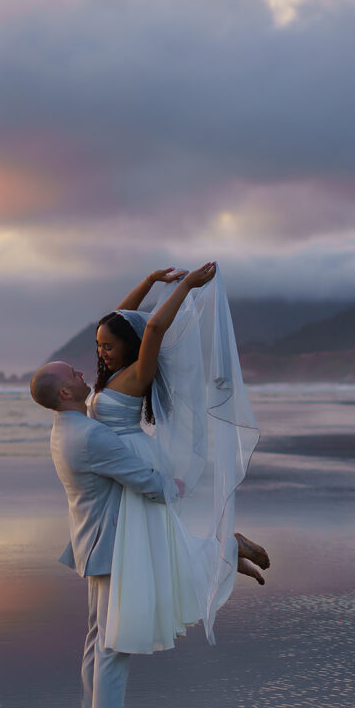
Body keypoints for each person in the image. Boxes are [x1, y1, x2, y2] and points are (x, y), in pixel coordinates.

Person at [90, 262, 264, 656]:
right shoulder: (113, 372)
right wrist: (149, 281)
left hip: (131, 462)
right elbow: (120, 322)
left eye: (108, 346)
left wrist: (185, 286)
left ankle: (227, 550)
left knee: (150, 548)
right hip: (118, 462)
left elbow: (150, 328)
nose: (101, 352)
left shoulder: (138, 373)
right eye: (99, 346)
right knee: (157, 547)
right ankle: (229, 550)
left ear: (129, 348)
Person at [30, 360, 178, 708]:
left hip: (90, 542)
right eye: (73, 375)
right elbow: (144, 480)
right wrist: (178, 486)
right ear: (64, 393)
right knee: (114, 644)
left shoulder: (64, 429)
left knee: (98, 641)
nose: (82, 373)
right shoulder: (92, 435)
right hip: (110, 545)